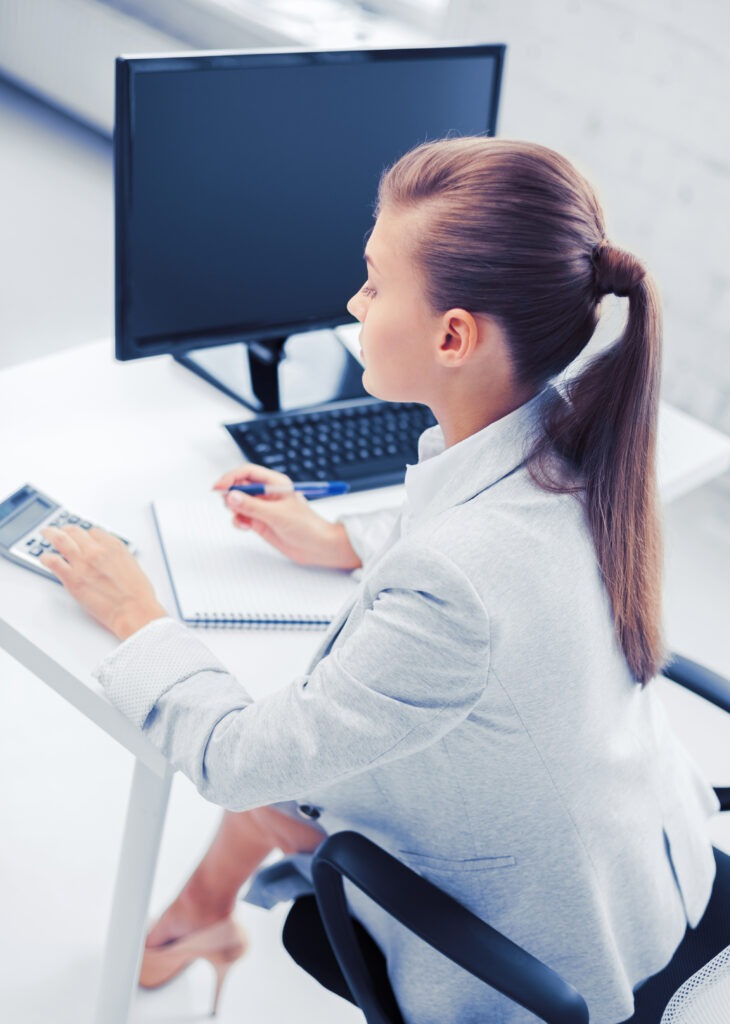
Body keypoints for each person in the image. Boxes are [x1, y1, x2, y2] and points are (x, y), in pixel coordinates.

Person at [40, 137, 719, 1024]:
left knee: (271, 770)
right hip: (646, 862)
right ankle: (201, 918)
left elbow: (234, 759)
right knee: (302, 763)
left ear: (453, 336)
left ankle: (194, 918)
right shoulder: (576, 438)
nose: (352, 301)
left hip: (550, 950)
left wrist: (135, 612)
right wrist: (338, 540)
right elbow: (484, 544)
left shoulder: (454, 583)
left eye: (373, 281)